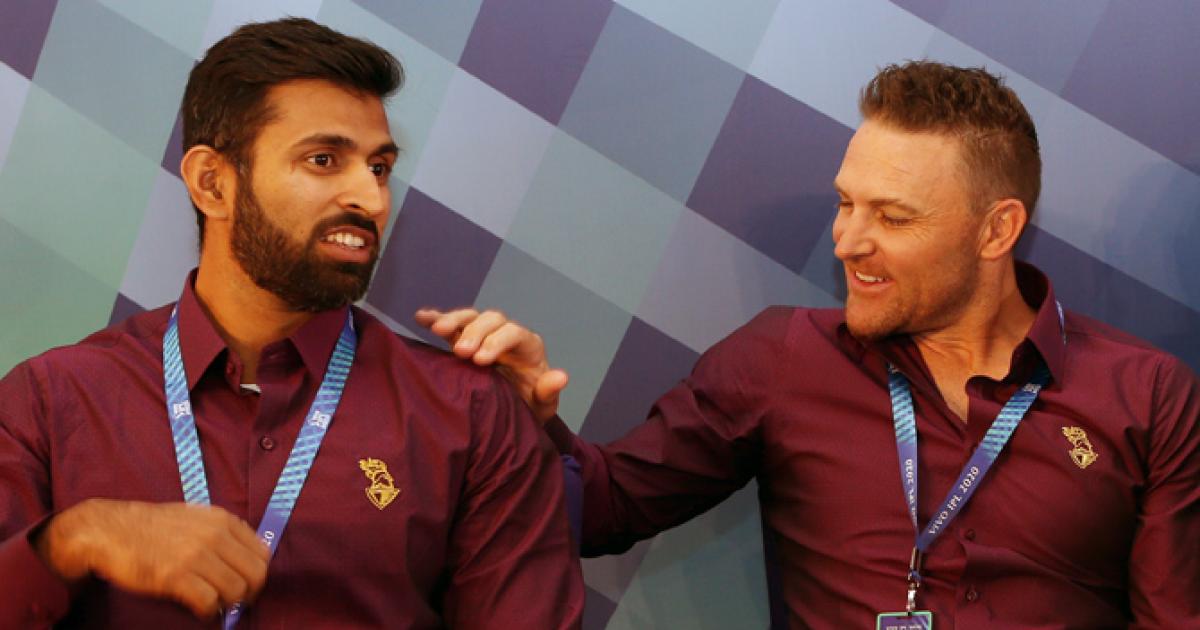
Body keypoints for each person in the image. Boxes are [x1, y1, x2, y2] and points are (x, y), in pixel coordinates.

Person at [419, 61, 1200, 628]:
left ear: (996, 230)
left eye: (892, 218)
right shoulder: (784, 358)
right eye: (845, 203)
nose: (847, 241)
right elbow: (602, 508)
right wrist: (519, 423)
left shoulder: (1147, 394)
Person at [0, 18, 582, 629]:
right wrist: (68, 543)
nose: (372, 200)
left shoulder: (470, 412)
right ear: (212, 183)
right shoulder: (54, 400)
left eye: (379, 168)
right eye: (324, 160)